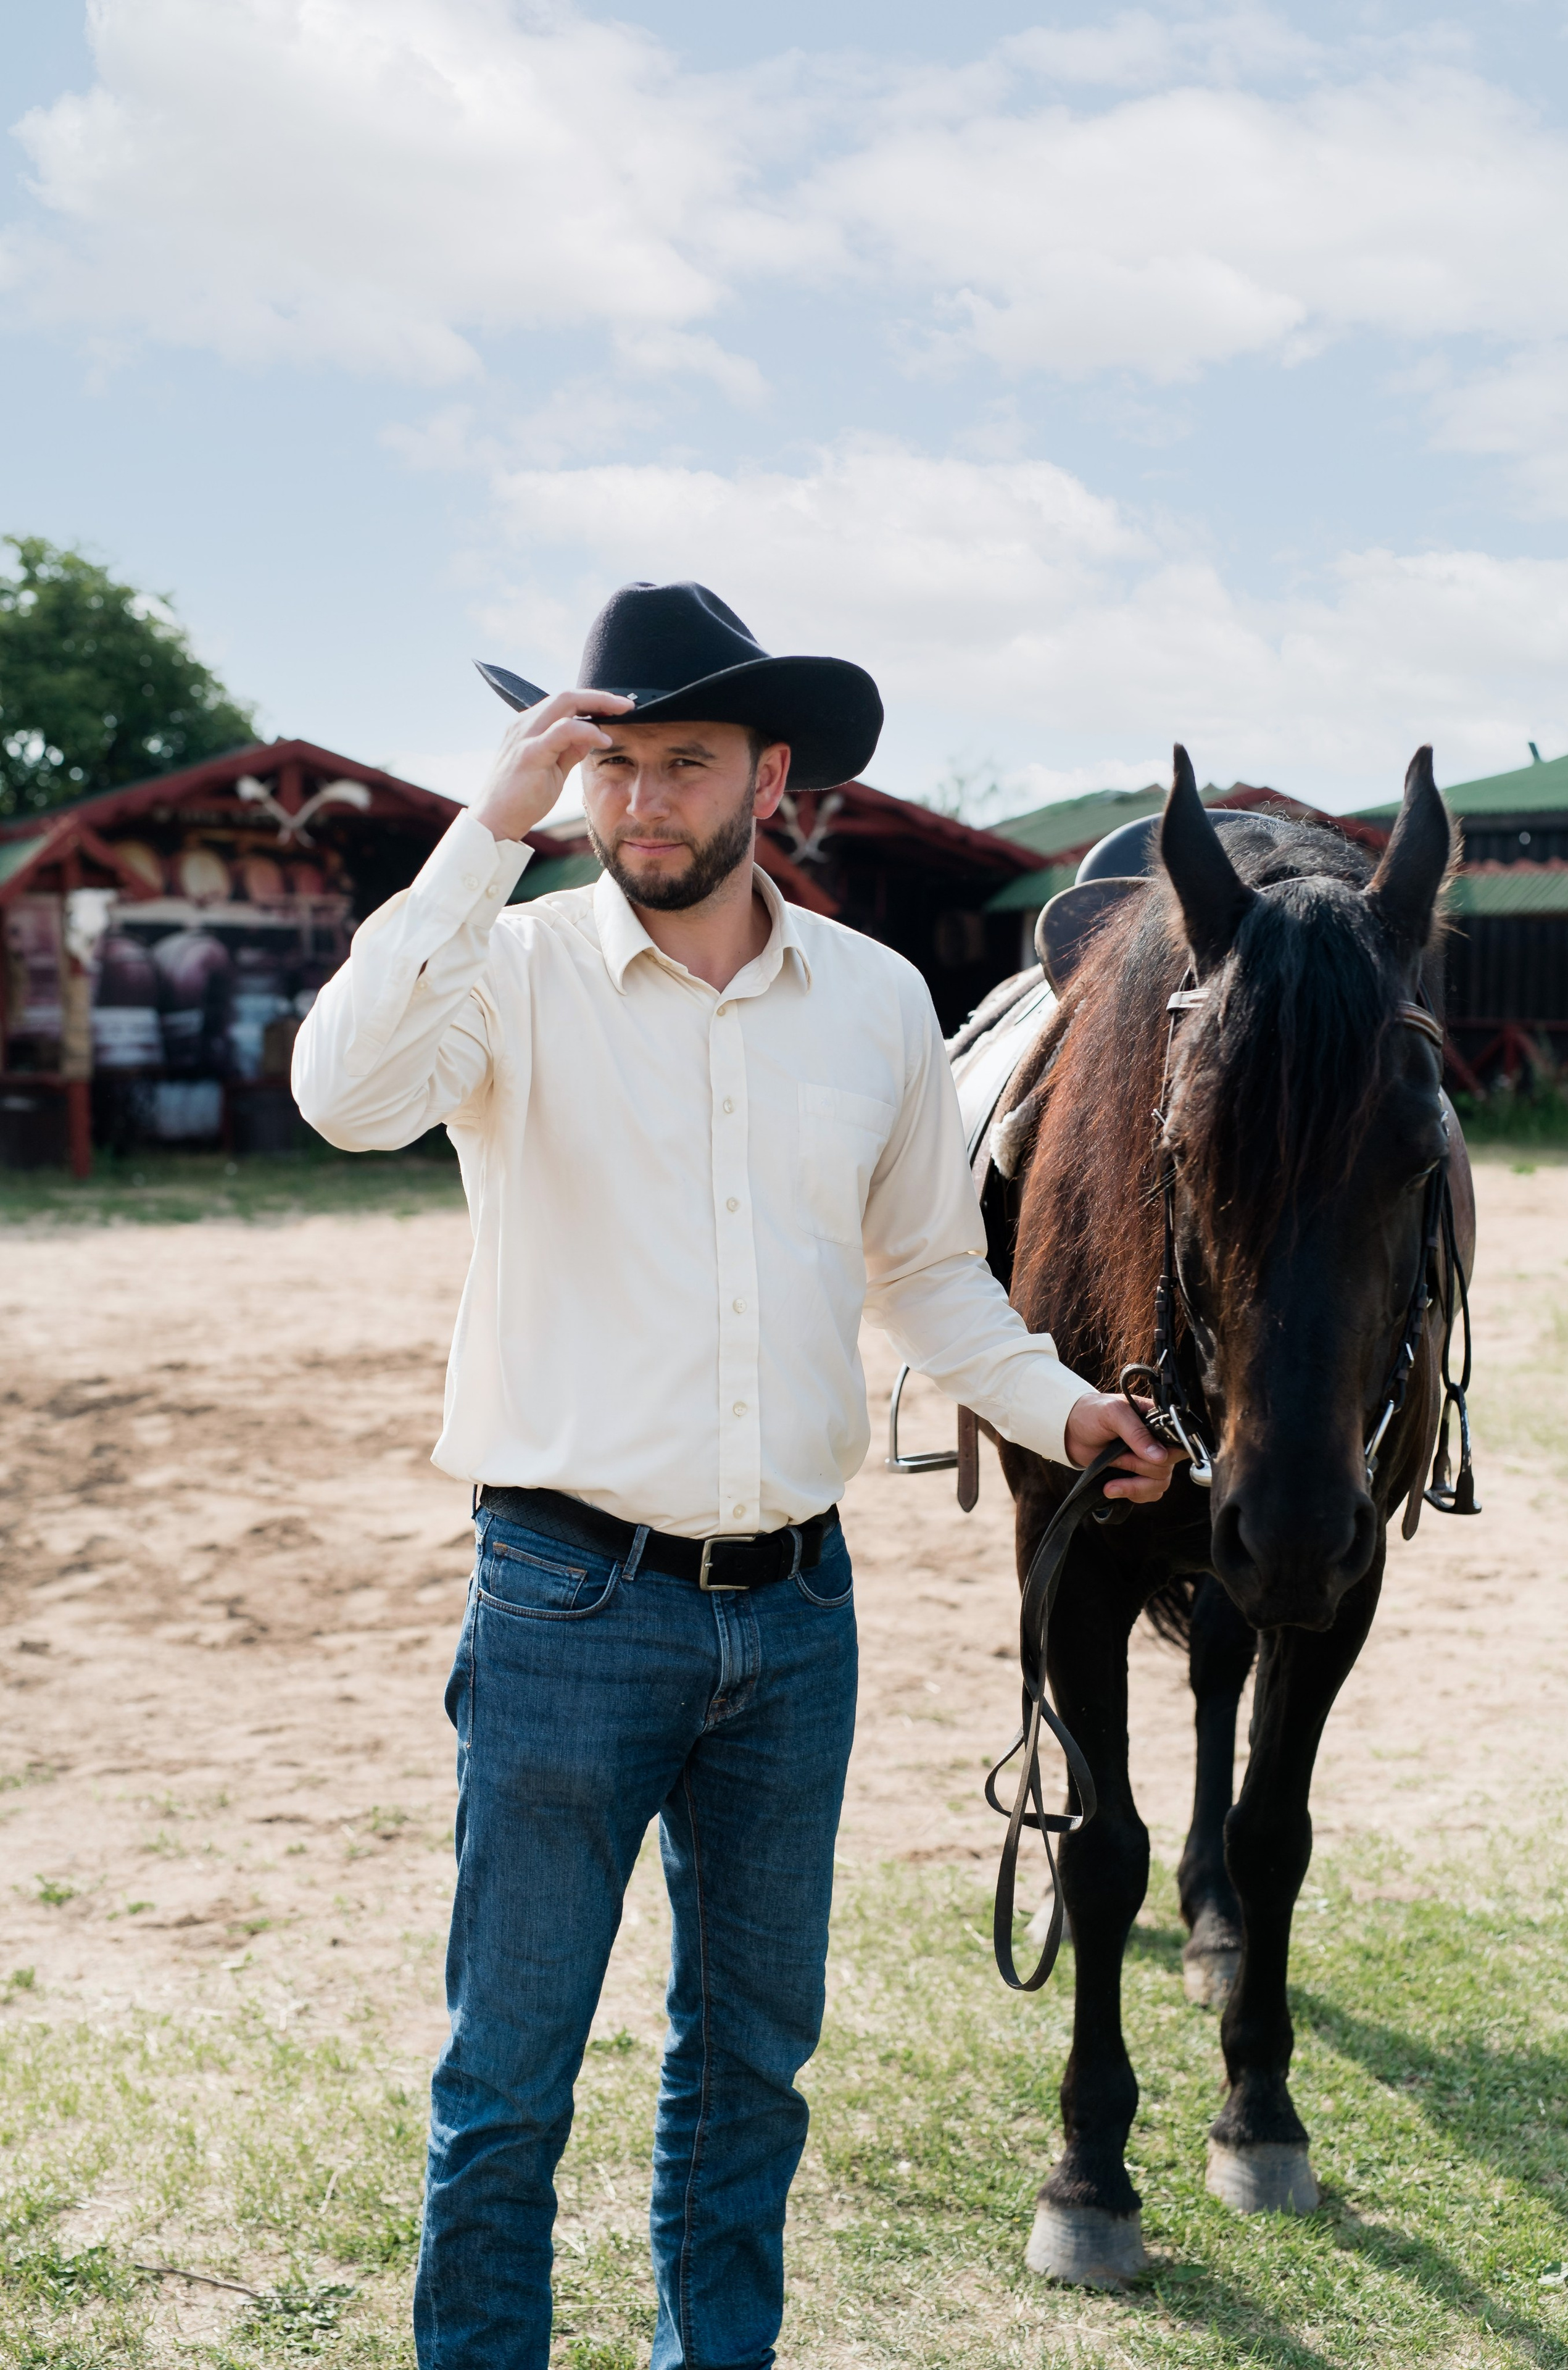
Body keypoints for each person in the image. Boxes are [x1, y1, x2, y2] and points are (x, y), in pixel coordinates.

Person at [293, 580, 1176, 2370]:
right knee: (508, 2078)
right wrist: (483, 831)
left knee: (751, 2065)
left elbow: (928, 1272)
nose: (639, 807)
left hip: (795, 1619)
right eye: (606, 768)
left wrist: (1058, 1404)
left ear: (771, 775)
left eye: (681, 766)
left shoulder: (871, 1000)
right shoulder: (506, 968)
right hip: (562, 1605)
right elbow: (343, 1094)